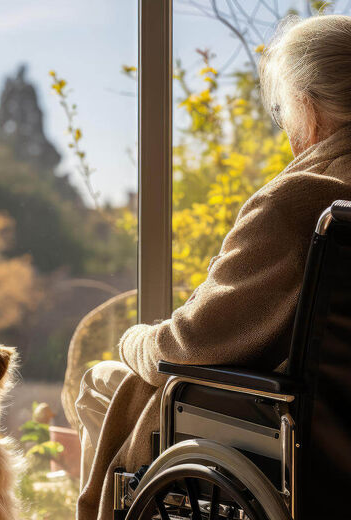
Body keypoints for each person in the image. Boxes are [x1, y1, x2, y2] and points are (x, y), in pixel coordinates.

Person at [75, 14, 351, 520]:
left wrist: (133, 339)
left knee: (103, 382)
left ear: (309, 109)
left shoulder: (298, 202)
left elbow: (191, 344)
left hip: (283, 439)